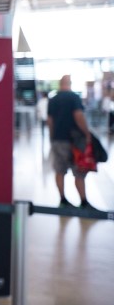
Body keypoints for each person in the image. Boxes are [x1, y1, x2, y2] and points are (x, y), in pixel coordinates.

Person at [47, 75, 97, 210]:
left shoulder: (53, 99)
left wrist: (52, 137)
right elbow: (79, 115)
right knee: (79, 170)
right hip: (74, 140)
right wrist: (87, 133)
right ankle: (84, 202)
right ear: (70, 83)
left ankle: (63, 200)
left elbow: (50, 120)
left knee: (60, 170)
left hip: (58, 139)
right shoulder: (74, 97)